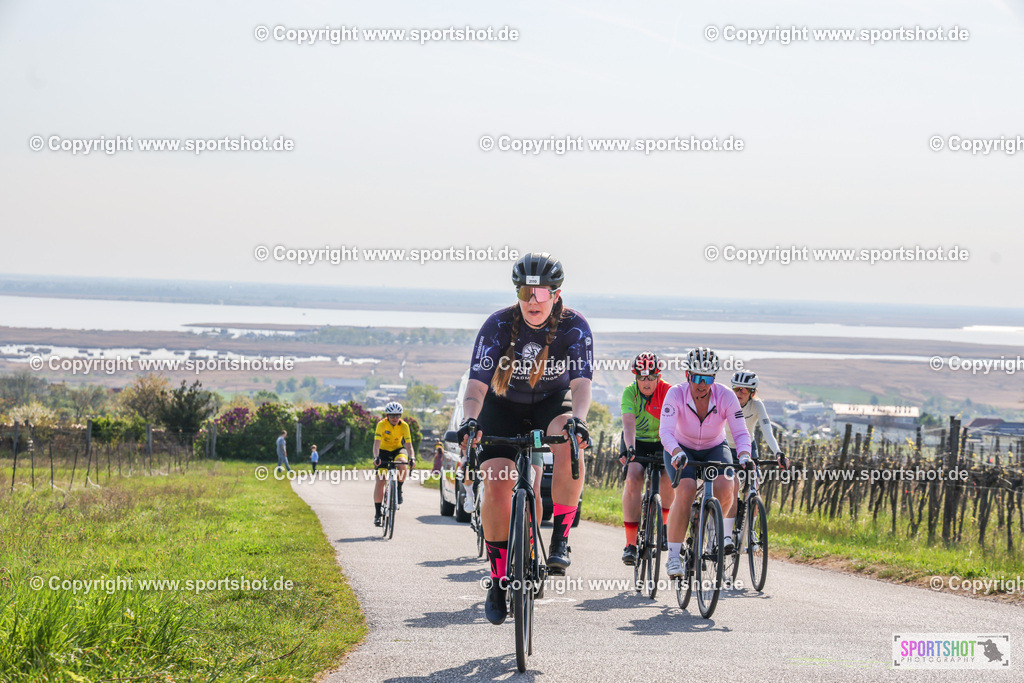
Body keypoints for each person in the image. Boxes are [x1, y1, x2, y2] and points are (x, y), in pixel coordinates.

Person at [458, 252, 592, 625]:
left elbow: (581, 385)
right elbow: (475, 386)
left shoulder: (574, 328)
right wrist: (470, 420)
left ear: (556, 293)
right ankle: (499, 579)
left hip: (552, 403)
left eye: (541, 293)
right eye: (525, 291)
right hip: (502, 406)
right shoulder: (497, 325)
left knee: (567, 438)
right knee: (498, 483)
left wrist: (579, 421)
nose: (533, 300)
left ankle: (560, 538)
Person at [659, 348, 752, 579]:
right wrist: (677, 451)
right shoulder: (675, 394)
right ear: (687, 374)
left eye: (708, 378)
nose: (702, 384)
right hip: (681, 448)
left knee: (726, 486)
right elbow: (666, 432)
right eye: (697, 377)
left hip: (714, 446)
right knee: (687, 490)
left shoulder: (726, 397)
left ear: (715, 378)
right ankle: (673, 557)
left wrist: (744, 455)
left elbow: (741, 433)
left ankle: (708, 524)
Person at [618, 352, 675, 566]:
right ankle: (630, 544)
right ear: (635, 377)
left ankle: (664, 527)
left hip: (664, 441)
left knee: (668, 478)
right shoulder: (629, 393)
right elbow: (628, 425)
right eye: (642, 377)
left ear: (658, 376)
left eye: (651, 377)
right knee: (633, 478)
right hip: (638, 441)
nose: (646, 382)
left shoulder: (668, 392)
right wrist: (630, 448)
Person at [725, 371, 788, 545]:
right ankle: (726, 533)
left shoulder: (757, 406)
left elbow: (767, 431)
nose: (739, 393)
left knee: (755, 484)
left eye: (744, 391)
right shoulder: (727, 402)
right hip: (727, 446)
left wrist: (778, 452)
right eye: (736, 388)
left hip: (748, 446)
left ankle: (750, 530)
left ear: (752, 393)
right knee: (732, 485)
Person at [372, 402, 416, 526]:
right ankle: (377, 514)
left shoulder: (404, 426)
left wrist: (412, 457)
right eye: (392, 416)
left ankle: (398, 489)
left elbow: (408, 444)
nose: (395, 418)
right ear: (387, 416)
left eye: (397, 415)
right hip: (383, 451)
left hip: (397, 450)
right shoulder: (381, 424)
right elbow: (376, 444)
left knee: (403, 463)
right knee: (380, 481)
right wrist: (376, 457)